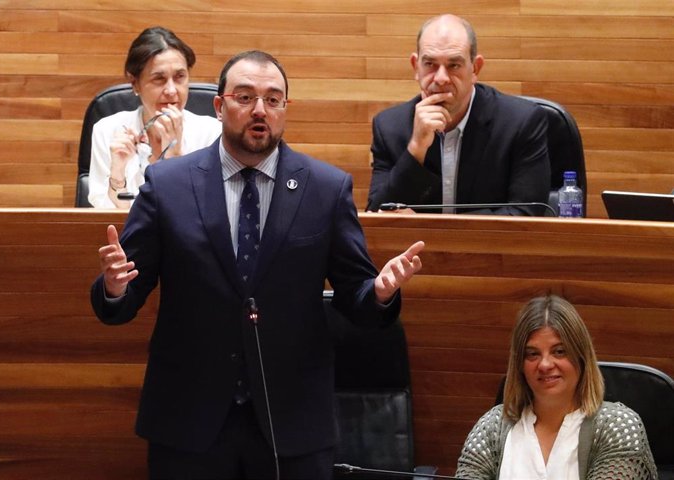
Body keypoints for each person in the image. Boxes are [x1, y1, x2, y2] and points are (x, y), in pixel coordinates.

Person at [90, 50, 424, 479]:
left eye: (273, 99)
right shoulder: (168, 184)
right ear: (219, 105)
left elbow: (355, 296)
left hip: (292, 424)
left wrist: (379, 293)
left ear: (286, 108)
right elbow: (123, 299)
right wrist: (115, 286)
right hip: (189, 422)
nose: (259, 110)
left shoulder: (325, 188)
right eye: (245, 97)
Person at [455, 295, 658, 479]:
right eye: (532, 354)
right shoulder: (491, 428)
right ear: (520, 365)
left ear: (581, 357)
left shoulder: (618, 427)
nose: (545, 365)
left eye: (559, 351)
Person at [366, 14, 550, 215]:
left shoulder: (521, 122)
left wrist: (432, 229)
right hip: (417, 247)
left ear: (475, 69)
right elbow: (378, 218)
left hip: (489, 247)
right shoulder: (389, 127)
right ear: (415, 67)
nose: (441, 78)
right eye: (430, 64)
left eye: (454, 65)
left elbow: (526, 215)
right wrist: (416, 149)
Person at [88, 26, 221, 208]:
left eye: (180, 77)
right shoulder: (107, 130)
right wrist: (118, 175)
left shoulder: (211, 133)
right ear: (135, 84)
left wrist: (175, 160)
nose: (172, 90)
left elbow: (207, 211)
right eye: (159, 79)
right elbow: (104, 216)